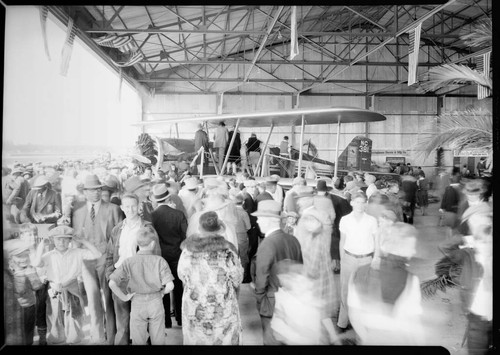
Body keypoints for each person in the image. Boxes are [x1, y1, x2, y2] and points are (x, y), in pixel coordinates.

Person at [347, 222, 426, 345]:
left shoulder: (358, 273)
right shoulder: (410, 280)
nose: (414, 251)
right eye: (411, 246)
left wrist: (368, 339)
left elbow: (354, 317)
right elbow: (414, 324)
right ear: (399, 248)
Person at [71, 174, 123, 344]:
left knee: (109, 299)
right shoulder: (78, 212)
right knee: (93, 300)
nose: (96, 193)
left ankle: (111, 336)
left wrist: (114, 261)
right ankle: (97, 336)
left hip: (107, 260)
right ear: (85, 192)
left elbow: (119, 237)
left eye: (99, 189)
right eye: (92, 190)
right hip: (87, 261)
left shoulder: (114, 209)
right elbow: (76, 239)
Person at [177, 211, 243, 345]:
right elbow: (237, 278)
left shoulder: (188, 251)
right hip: (223, 308)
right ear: (219, 230)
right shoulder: (228, 252)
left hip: (195, 307)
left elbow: (182, 275)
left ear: (200, 229)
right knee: (224, 339)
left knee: (197, 338)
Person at [105, 192, 162, 345]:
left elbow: (156, 256)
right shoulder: (117, 229)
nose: (130, 209)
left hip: (141, 279)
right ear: (122, 208)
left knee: (145, 321)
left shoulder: (147, 228)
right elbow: (110, 254)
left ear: (139, 207)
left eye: (133, 206)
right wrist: (110, 274)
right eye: (127, 206)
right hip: (121, 278)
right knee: (122, 323)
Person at [33, 226, 102, 345]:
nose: (61, 242)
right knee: (54, 317)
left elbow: (97, 254)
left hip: (72, 289)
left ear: (70, 240)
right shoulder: (49, 255)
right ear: (53, 240)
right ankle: (56, 337)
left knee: (74, 318)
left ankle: (73, 339)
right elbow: (37, 263)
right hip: (55, 290)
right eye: (58, 239)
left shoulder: (78, 253)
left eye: (65, 239)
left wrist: (83, 241)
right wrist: (41, 246)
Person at [438, 204, 492, 355]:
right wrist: (463, 239)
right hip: (476, 317)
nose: (486, 245)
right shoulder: (469, 254)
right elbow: (445, 247)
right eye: (483, 242)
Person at [109, 226, 175, 345]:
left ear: (138, 244)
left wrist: (125, 297)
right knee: (158, 337)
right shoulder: (160, 261)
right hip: (155, 300)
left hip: (137, 301)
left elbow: (112, 283)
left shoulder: (129, 262)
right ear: (153, 244)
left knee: (138, 339)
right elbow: (170, 286)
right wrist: (162, 292)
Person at [251, 200, 303, 345]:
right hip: (291, 298)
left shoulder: (267, 244)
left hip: (271, 301)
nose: (258, 221)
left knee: (271, 340)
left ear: (268, 221)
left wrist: (260, 298)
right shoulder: (293, 240)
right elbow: (300, 269)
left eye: (260, 218)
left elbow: (262, 276)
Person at [337, 191, 379, 331]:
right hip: (348, 258)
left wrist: (376, 257)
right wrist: (342, 258)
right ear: (352, 203)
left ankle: (360, 322)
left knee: (362, 292)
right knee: (345, 291)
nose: (360, 205)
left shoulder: (371, 220)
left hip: (365, 259)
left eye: (363, 202)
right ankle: (342, 322)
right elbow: (342, 240)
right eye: (357, 202)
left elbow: (376, 240)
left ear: (365, 204)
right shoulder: (345, 220)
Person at [151, 184, 188, 329]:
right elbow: (185, 236)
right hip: (177, 254)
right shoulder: (179, 214)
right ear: (168, 198)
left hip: (160, 256)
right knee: (178, 287)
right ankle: (179, 317)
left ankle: (166, 320)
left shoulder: (152, 216)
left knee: (163, 289)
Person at [294, 206, 337, 319]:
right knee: (321, 314)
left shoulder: (316, 239)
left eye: (310, 221)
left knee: (315, 313)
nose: (307, 223)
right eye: (306, 221)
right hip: (320, 279)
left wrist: (300, 278)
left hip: (317, 281)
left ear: (318, 223)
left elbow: (313, 268)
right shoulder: (315, 235)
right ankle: (333, 336)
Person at [5, 238, 44, 345]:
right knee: (16, 335)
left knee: (28, 332)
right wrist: (20, 273)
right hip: (15, 310)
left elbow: (37, 286)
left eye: (26, 255)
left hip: (30, 306)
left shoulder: (30, 268)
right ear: (10, 258)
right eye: (19, 256)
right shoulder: (10, 272)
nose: (24, 259)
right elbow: (19, 291)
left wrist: (32, 274)